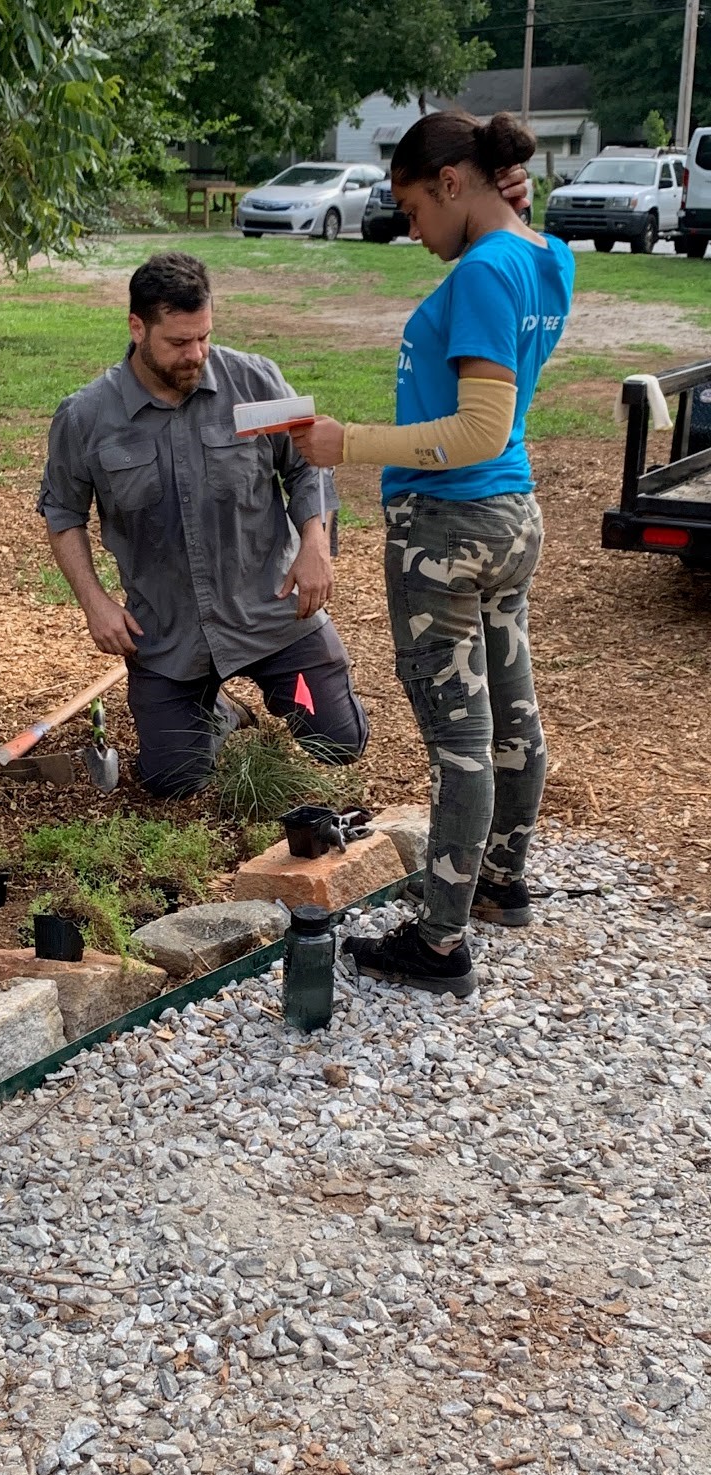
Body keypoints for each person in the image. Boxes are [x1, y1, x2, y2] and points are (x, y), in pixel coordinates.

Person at [292, 112, 574, 998]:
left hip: (449, 529)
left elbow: (483, 426)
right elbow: (523, 237)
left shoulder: (488, 270)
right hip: (511, 520)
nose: (412, 231)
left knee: (461, 739)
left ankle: (441, 943)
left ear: (453, 181)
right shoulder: (543, 257)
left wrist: (349, 444)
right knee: (512, 710)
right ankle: (499, 884)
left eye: (415, 207)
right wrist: (511, 209)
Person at [37, 250, 369, 798]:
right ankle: (216, 712)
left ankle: (282, 696)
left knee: (339, 744)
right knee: (174, 782)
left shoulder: (255, 381)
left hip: (272, 613)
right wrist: (95, 603)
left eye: (204, 337)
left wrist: (316, 543)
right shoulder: (86, 417)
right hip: (169, 635)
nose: (195, 355)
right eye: (178, 343)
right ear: (137, 327)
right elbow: (63, 513)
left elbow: (307, 464)